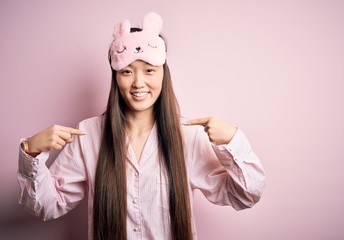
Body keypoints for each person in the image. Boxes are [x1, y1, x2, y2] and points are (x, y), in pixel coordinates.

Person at [17, 12, 266, 240]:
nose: (138, 83)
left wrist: (232, 140)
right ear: (115, 76)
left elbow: (245, 195)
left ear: (162, 74)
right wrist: (31, 152)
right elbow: (47, 206)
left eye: (149, 70)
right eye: (127, 71)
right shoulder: (88, 135)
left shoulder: (188, 136)